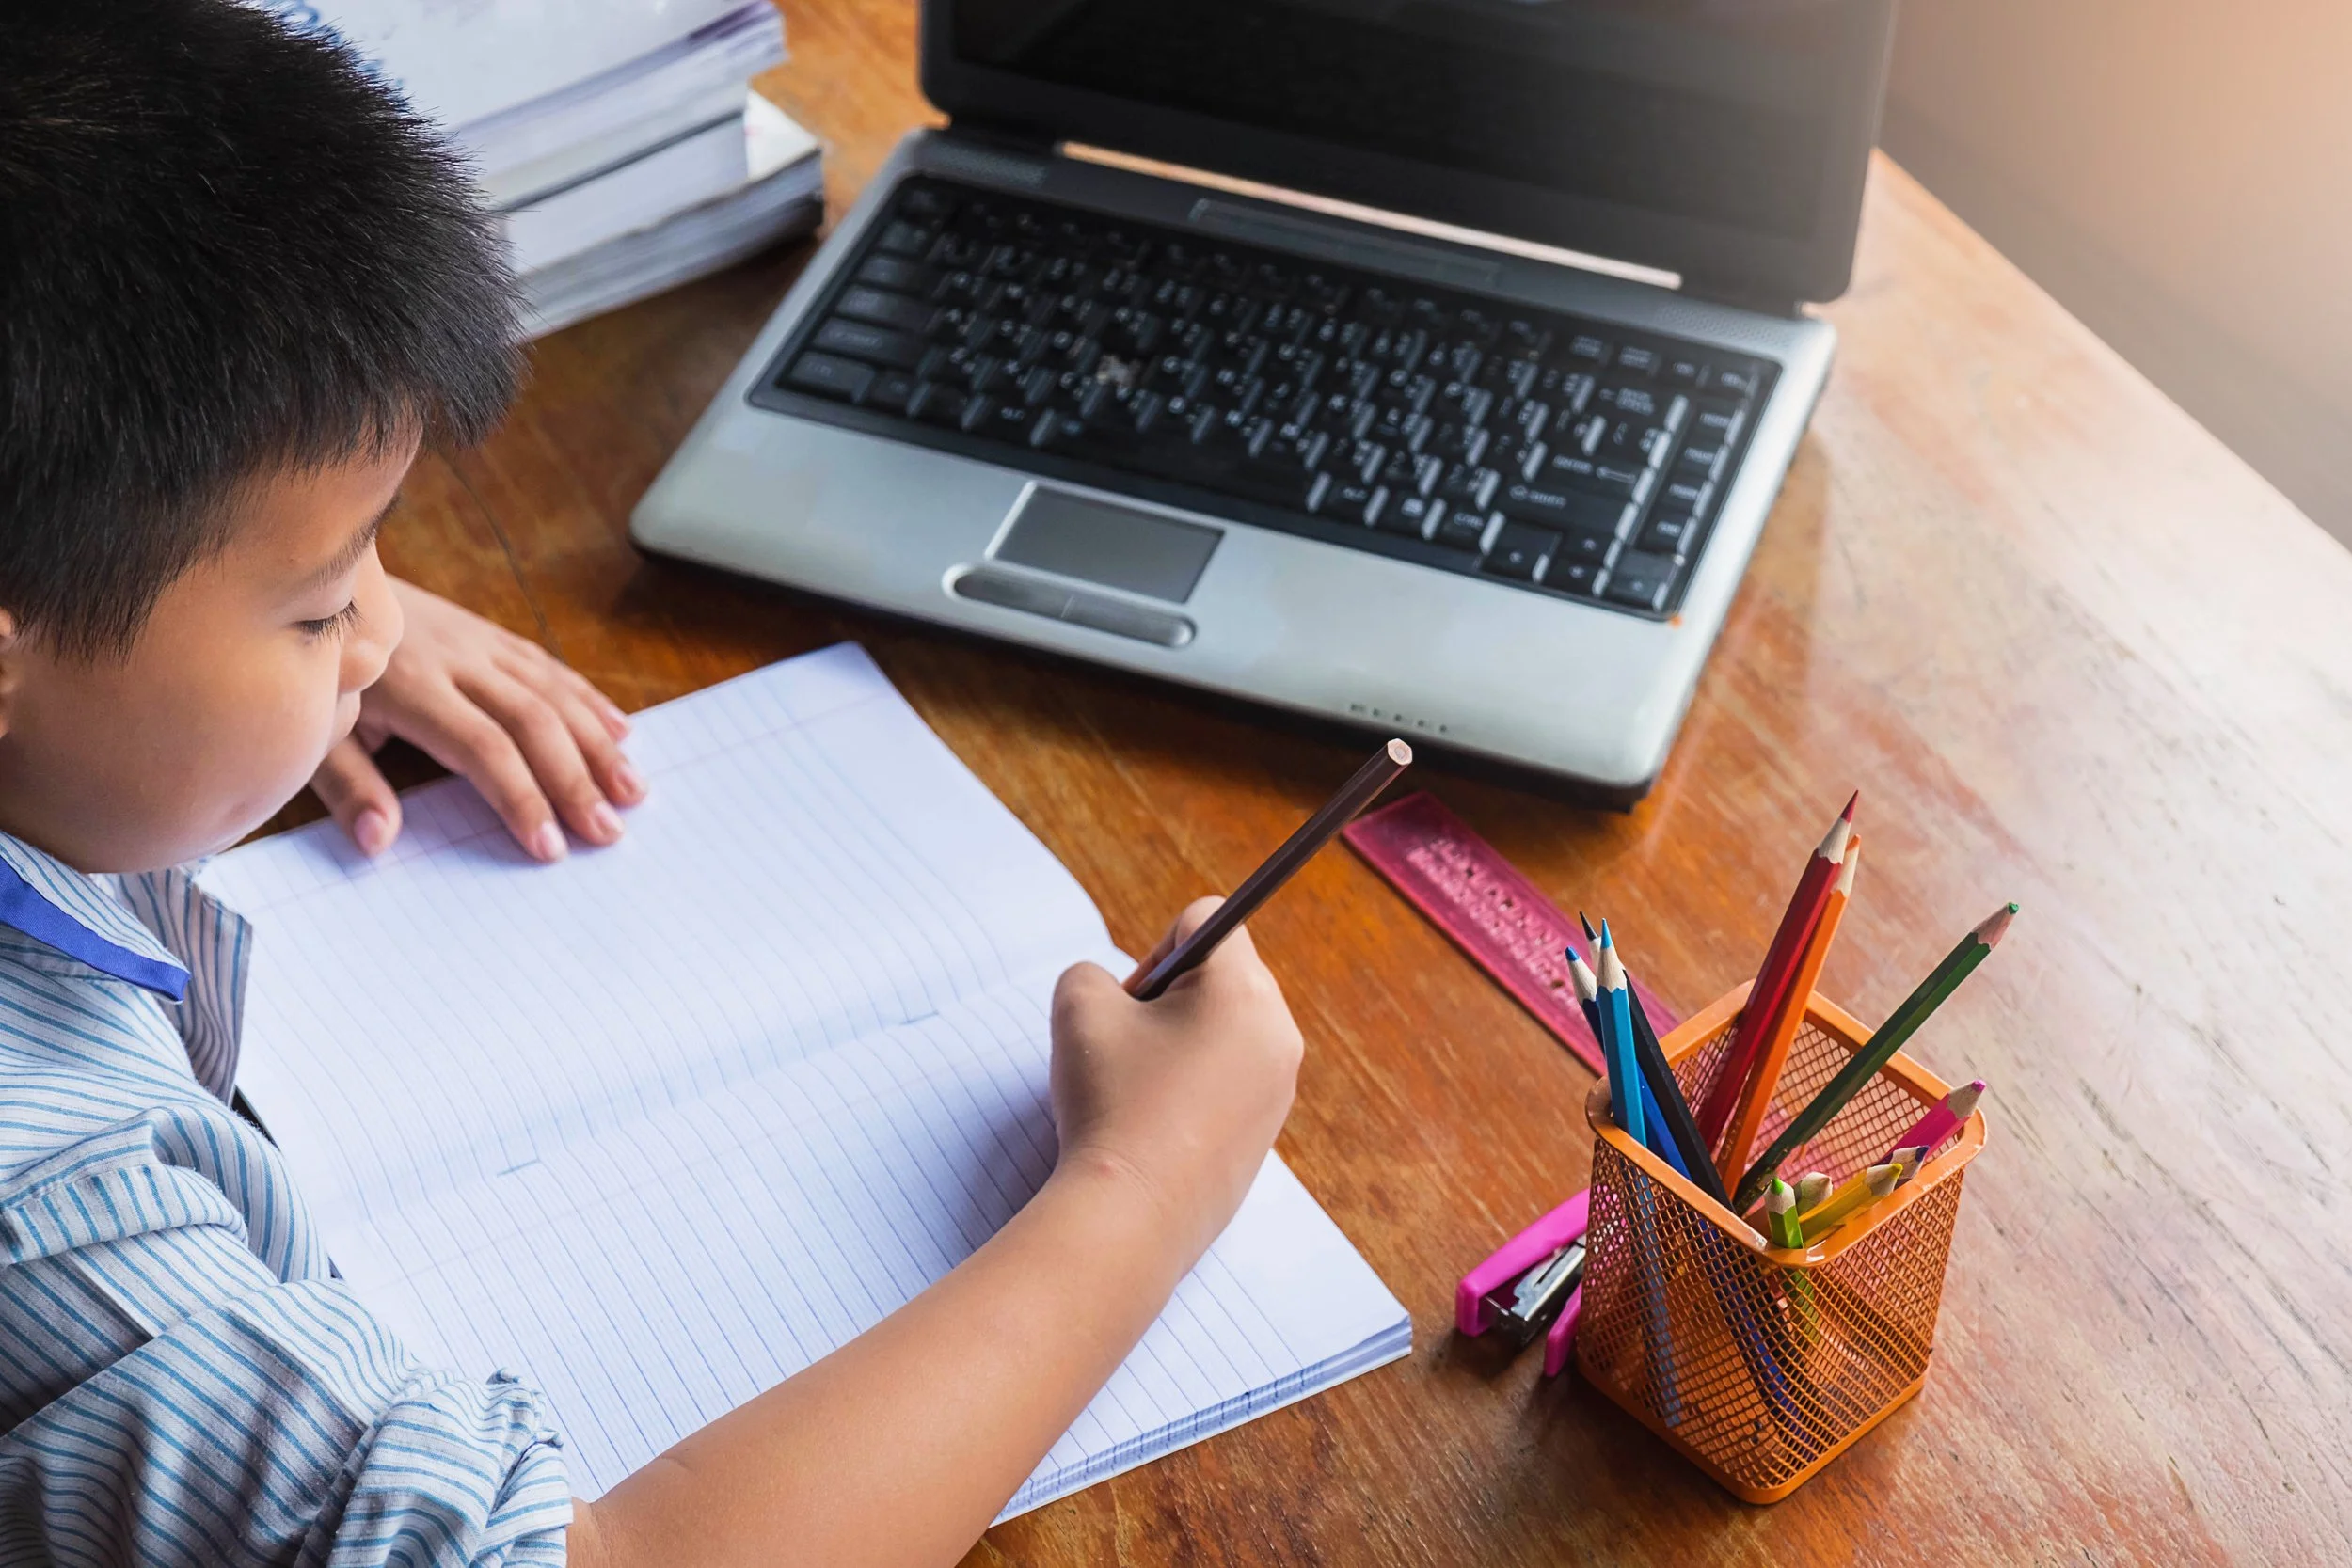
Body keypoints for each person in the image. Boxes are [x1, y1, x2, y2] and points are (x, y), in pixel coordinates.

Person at [0, 6, 1308, 1566]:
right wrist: (1146, 1179)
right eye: (323, 601)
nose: (386, 631)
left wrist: (251, 632)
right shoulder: (53, 1210)